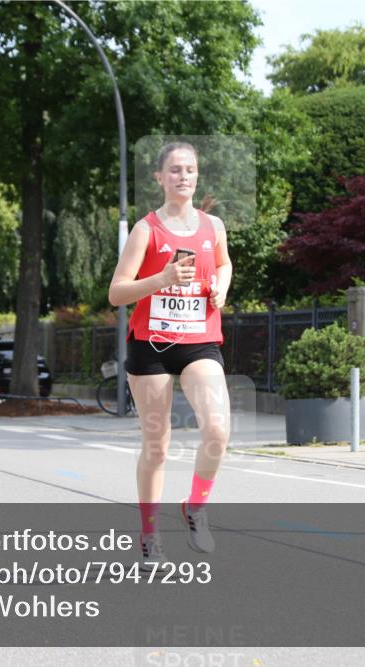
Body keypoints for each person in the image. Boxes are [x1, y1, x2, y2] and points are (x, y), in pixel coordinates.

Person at [108, 142, 233, 570]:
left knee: (217, 429)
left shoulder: (213, 226)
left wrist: (222, 286)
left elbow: (224, 264)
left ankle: (195, 505)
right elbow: (116, 291)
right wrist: (159, 278)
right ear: (159, 178)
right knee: (157, 447)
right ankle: (149, 537)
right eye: (175, 170)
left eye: (191, 169)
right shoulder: (146, 230)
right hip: (151, 346)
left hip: (199, 340)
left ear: (198, 176)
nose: (184, 176)